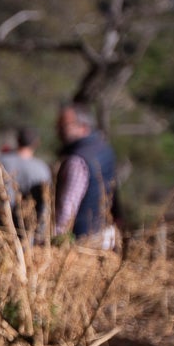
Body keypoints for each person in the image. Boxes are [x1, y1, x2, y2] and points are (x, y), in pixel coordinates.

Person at [53, 103, 119, 248]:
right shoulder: (104, 148)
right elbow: (114, 192)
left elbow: (68, 206)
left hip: (83, 239)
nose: (58, 131)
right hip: (105, 233)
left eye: (63, 126)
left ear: (82, 126)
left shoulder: (77, 160)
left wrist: (56, 240)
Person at [0, 127, 52, 241]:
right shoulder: (42, 169)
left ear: (17, 139)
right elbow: (45, 205)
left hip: (0, 226)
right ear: (37, 143)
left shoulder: (1, 161)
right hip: (28, 232)